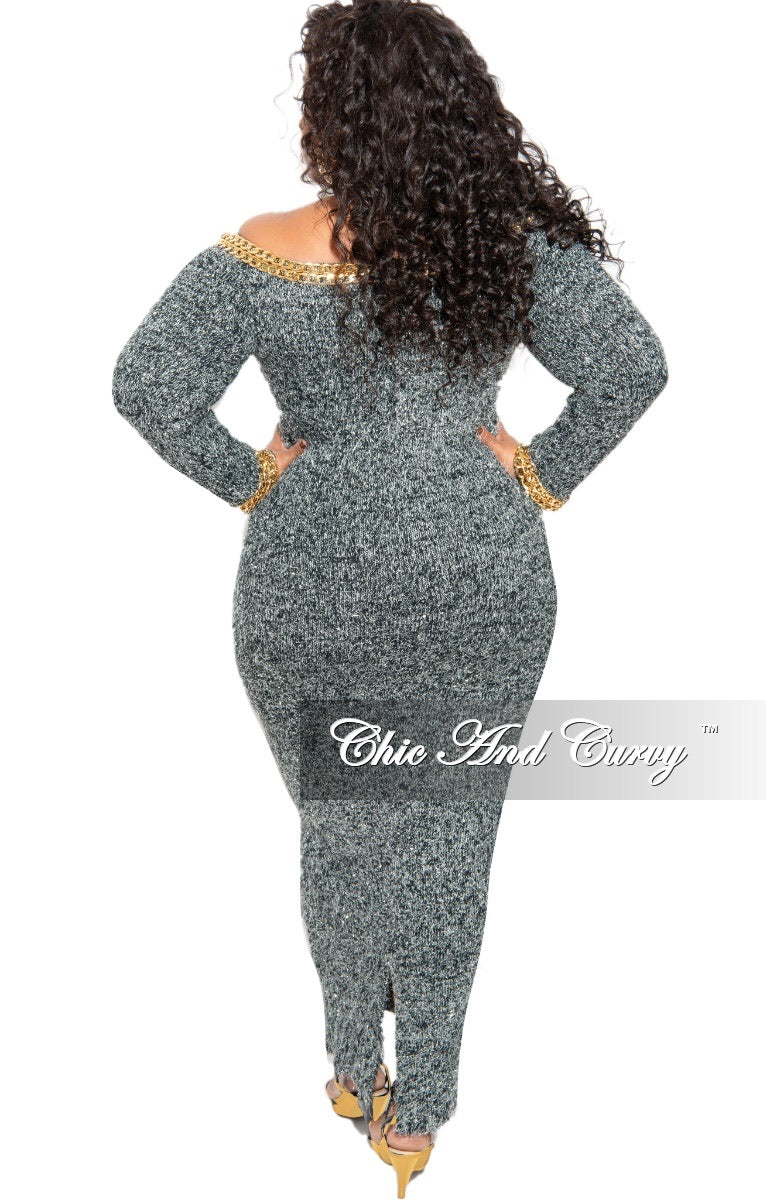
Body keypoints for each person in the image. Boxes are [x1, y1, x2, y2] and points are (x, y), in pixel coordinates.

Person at [111, 0, 669, 1193]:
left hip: (309, 577)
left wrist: (249, 476)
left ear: (329, 112)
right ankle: (422, 1108)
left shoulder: (264, 248)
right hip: (479, 570)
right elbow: (634, 364)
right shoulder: (497, 241)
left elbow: (145, 381)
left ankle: (353, 1066)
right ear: (460, 104)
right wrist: (540, 471)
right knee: (452, 833)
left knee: (345, 825)